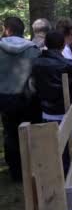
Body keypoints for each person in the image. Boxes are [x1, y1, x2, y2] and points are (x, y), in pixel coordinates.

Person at [0, 17, 42, 181]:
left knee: (10, 134)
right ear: (22, 30)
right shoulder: (33, 49)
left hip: (5, 98)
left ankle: (16, 172)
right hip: (27, 98)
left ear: (7, 29)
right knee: (30, 132)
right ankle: (31, 168)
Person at [30, 31, 72, 123]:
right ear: (63, 45)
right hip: (66, 112)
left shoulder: (35, 63)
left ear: (46, 43)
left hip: (44, 111)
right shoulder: (68, 65)